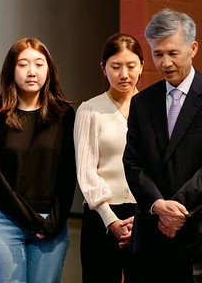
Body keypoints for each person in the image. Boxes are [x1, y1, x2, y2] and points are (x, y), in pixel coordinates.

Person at [123, 9, 202, 283]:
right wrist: (158, 206)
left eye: (173, 53)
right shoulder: (142, 103)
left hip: (201, 234)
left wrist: (175, 211)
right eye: (158, 54)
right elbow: (133, 162)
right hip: (152, 236)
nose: (165, 62)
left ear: (193, 48)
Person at [0, 37, 76, 283]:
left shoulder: (64, 114)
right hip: (3, 220)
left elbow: (69, 172)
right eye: (23, 64)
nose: (32, 71)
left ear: (49, 69)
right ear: (11, 69)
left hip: (51, 222)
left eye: (39, 64)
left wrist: (54, 221)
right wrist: (32, 221)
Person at [74, 33, 144, 283]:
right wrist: (110, 219)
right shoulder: (90, 109)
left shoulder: (152, 108)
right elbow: (86, 171)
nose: (124, 74)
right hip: (101, 215)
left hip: (143, 216)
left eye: (131, 66)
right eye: (115, 67)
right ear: (104, 68)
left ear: (142, 66)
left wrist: (145, 217)